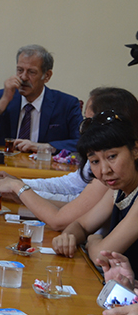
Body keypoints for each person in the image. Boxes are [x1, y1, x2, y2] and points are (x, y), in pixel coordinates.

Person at [0, 88, 138, 231]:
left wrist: (19, 189)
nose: (85, 130)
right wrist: (21, 186)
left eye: (89, 121)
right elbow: (70, 187)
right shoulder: (101, 160)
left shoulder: (113, 175)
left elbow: (61, 219)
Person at [51, 110, 138, 276]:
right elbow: (81, 225)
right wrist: (67, 237)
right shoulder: (119, 190)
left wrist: (93, 240)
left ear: (135, 150)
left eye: (112, 156)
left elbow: (101, 256)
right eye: (95, 161)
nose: (105, 170)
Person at [0, 44, 82, 153]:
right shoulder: (2, 98)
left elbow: (81, 143)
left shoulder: (67, 104)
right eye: (20, 70)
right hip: (7, 162)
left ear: (47, 76)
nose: (23, 77)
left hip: (43, 163)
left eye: (31, 72)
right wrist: (3, 101)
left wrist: (44, 147)